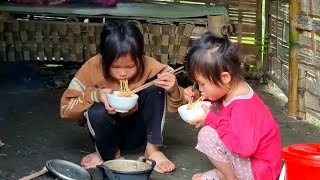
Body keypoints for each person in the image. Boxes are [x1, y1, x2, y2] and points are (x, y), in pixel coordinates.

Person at [60, 20, 185, 173]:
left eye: (130, 66)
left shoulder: (150, 66)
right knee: (96, 110)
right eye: (115, 66)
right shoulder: (92, 68)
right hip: (106, 135)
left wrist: (173, 88)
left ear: (140, 57)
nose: (123, 73)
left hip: (139, 132)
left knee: (155, 86)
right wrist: (95, 95)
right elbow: (65, 109)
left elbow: (178, 102)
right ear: (104, 59)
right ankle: (109, 154)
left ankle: (152, 150)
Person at [183, 25, 282, 180]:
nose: (200, 88)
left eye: (202, 84)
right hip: (254, 164)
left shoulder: (243, 107)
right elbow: (218, 99)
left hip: (261, 171)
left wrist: (211, 120)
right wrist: (197, 96)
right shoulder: (231, 87)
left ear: (225, 78)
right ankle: (226, 174)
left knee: (207, 135)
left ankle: (231, 177)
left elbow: (245, 148)